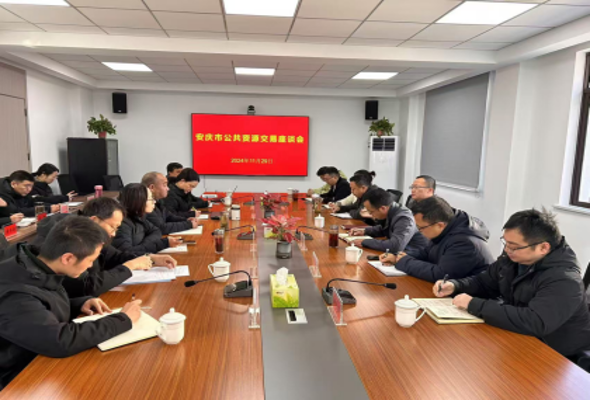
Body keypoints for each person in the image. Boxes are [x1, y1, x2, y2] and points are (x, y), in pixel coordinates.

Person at [0, 216, 142, 390]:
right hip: (17, 379)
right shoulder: (15, 293)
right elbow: (58, 341)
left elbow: (38, 307)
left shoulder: (39, 264)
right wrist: (122, 320)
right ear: (68, 258)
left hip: (37, 359)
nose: (90, 266)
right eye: (90, 260)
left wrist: (79, 303)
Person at [434, 209, 590, 358]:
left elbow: (534, 322)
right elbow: (484, 282)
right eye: (506, 243)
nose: (507, 250)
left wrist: (474, 305)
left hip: (557, 355)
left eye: (514, 247)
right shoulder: (513, 259)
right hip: (518, 337)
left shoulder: (565, 280)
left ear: (543, 247)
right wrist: (456, 285)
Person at [29, 197, 177, 297]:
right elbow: (84, 286)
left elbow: (115, 256)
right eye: (112, 227)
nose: (113, 234)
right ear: (94, 220)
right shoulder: (68, 238)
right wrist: (129, 267)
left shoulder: (90, 234)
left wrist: (150, 258)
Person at [380, 196, 494, 282]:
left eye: (421, 228)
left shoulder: (465, 242)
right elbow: (427, 253)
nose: (419, 231)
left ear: (440, 225)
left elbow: (441, 274)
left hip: (471, 297)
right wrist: (398, 257)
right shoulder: (447, 227)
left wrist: (404, 261)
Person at [350, 188, 427, 253]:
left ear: (383, 208)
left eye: (371, 212)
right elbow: (385, 229)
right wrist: (365, 231)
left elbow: (395, 246)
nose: (371, 215)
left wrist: (364, 242)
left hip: (414, 255)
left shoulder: (404, 218)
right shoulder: (392, 210)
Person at [113, 184, 182, 254]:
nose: (154, 201)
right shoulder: (121, 224)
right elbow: (127, 253)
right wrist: (160, 244)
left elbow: (156, 231)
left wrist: (145, 245)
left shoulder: (138, 216)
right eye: (151, 199)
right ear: (139, 201)